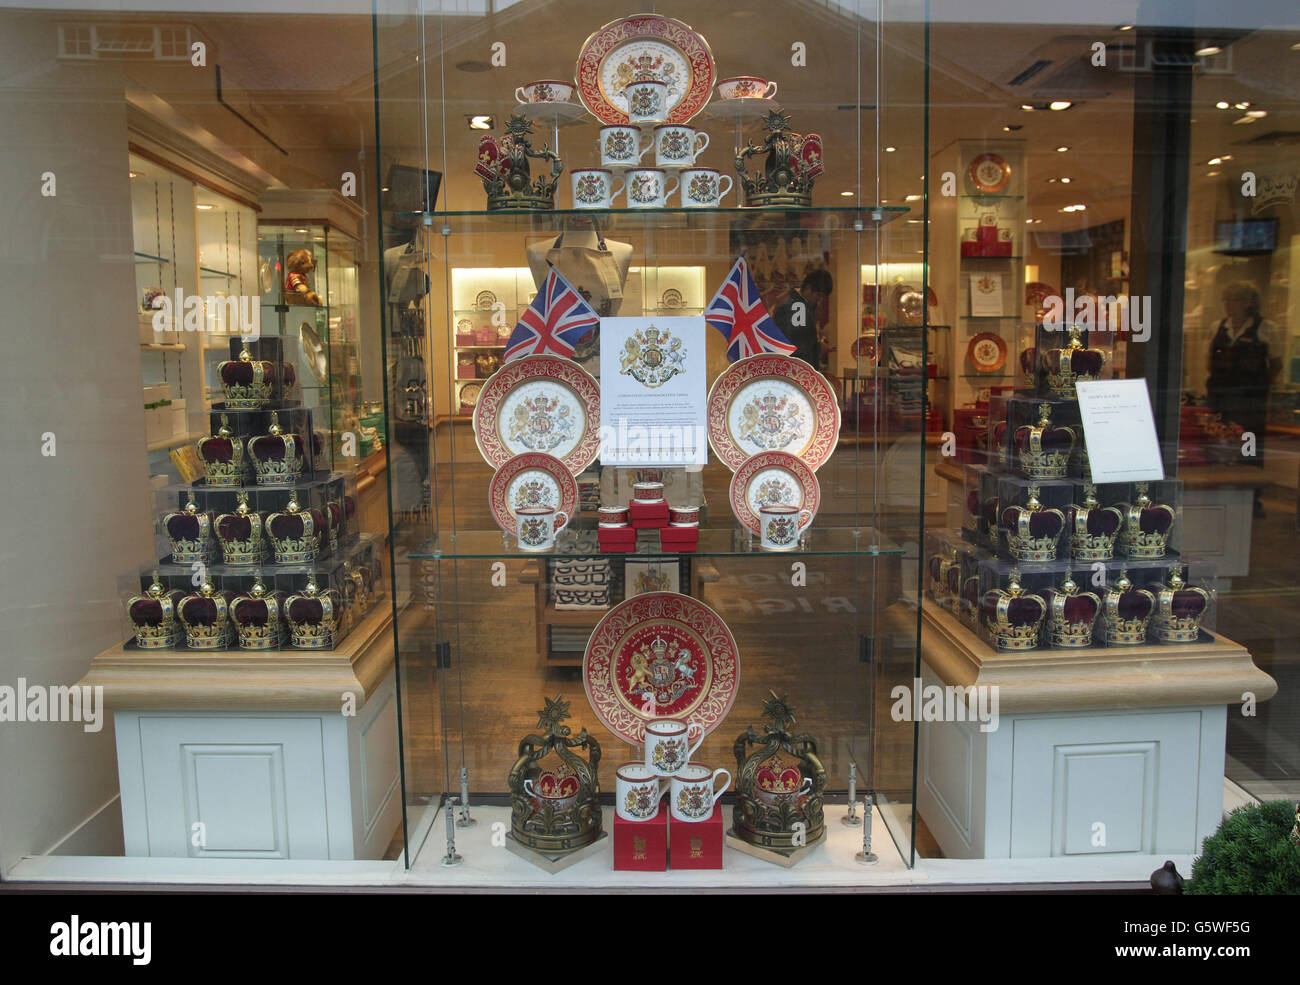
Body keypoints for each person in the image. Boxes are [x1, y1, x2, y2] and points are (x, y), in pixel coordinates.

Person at [1206, 281, 1280, 515]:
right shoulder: (1218, 327)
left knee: (1249, 444)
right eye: (1227, 299)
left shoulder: (1266, 328)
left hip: (1250, 400)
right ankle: (1219, 489)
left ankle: (1251, 495)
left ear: (1249, 303)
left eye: (1235, 299)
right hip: (1221, 397)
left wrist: (1261, 387)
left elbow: (1275, 363)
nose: (1230, 304)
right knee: (1220, 441)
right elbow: (1209, 360)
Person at [774, 268, 833, 371]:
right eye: (818, 295)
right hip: (796, 371)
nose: (819, 301)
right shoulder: (798, 306)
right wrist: (819, 348)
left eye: (822, 297)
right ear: (808, 288)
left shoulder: (795, 303)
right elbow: (796, 345)